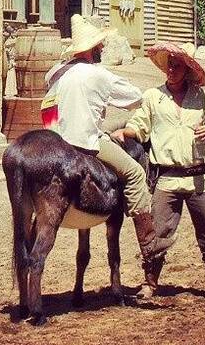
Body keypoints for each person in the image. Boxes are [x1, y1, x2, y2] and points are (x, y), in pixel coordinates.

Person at [41, 15, 176, 262]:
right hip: (84, 142)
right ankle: (149, 243)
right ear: (92, 48)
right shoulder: (99, 74)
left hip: (54, 143)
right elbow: (135, 97)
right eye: (99, 44)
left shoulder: (55, 72)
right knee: (135, 173)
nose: (102, 48)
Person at [111, 41, 205, 299]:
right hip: (167, 179)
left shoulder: (200, 97)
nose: (172, 70)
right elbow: (140, 126)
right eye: (169, 66)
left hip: (199, 178)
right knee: (158, 233)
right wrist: (126, 131)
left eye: (177, 66)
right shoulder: (153, 97)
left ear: (187, 69)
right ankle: (149, 284)